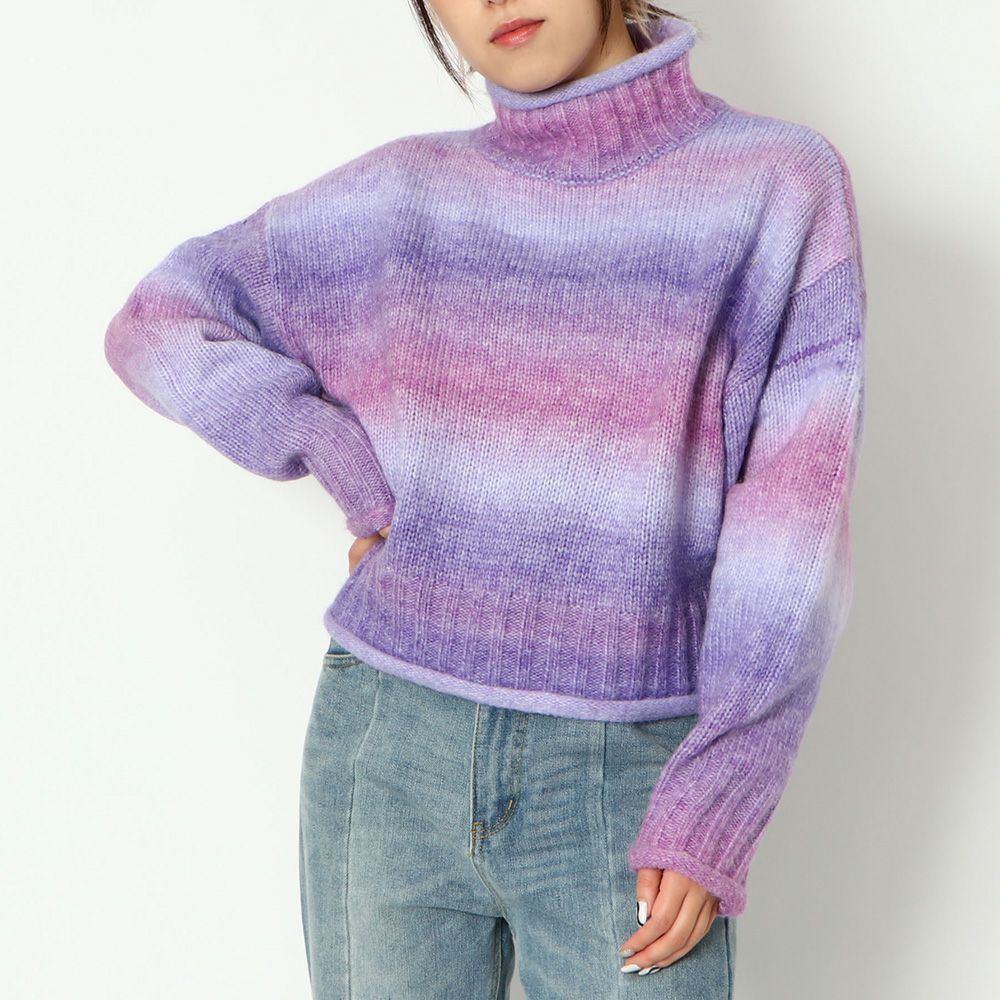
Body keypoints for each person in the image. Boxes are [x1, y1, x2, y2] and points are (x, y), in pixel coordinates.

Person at [104, 1, 866, 996]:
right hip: (389, 746)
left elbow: (795, 532)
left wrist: (717, 793)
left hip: (629, 773)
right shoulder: (403, 195)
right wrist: (342, 461)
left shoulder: (774, 184)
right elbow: (162, 320)